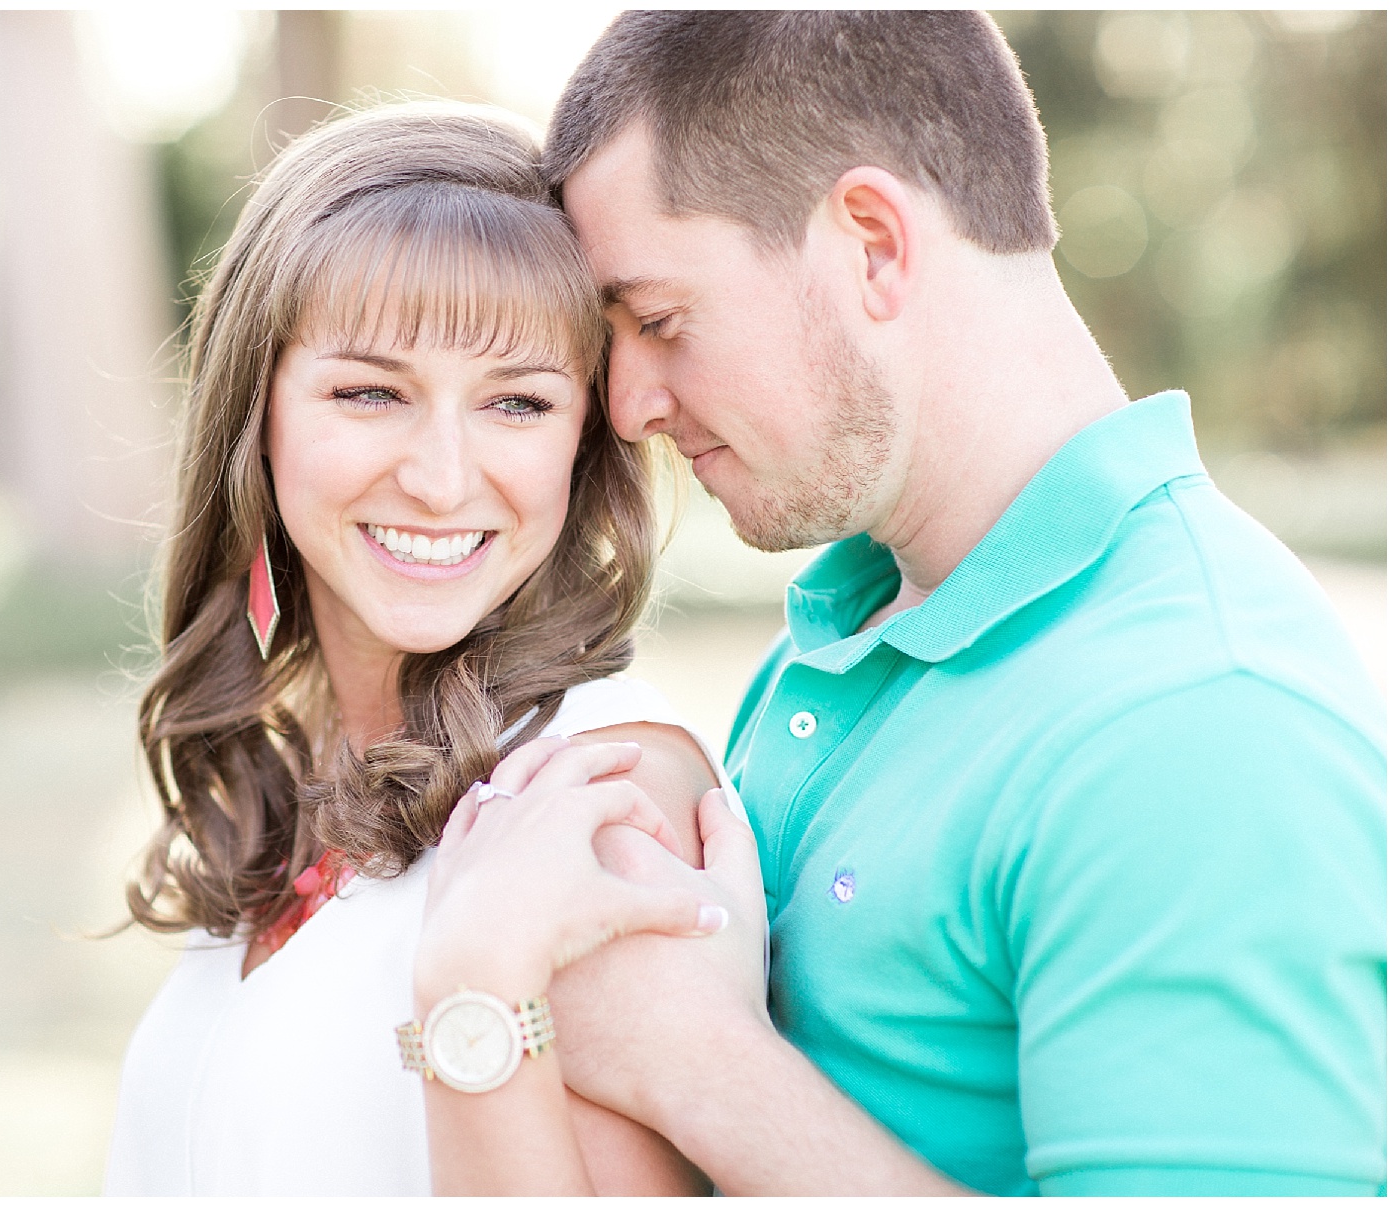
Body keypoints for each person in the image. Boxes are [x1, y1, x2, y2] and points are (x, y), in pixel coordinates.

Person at [414, 10, 1386, 1197]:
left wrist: (699, 1063)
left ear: (872, 243)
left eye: (660, 321)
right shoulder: (851, 631)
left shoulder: (1194, 721)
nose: (626, 408)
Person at [100, 100, 738, 1196]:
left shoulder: (600, 791)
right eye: (370, 392)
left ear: (584, 438)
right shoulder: (297, 773)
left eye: (519, 403)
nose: (443, 479)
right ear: (255, 411)